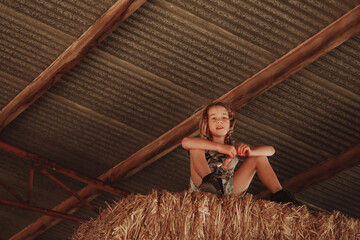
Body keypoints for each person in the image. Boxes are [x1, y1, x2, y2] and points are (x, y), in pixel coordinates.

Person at [181, 101, 298, 204]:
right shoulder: (201, 143)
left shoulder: (234, 147)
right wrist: (220, 148)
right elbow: (185, 142)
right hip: (201, 186)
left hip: (228, 191)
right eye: (214, 118)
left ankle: (281, 195)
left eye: (224, 118)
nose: (219, 121)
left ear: (230, 123)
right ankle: (210, 182)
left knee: (259, 157)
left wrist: (250, 152)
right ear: (207, 123)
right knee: (195, 148)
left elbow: (271, 150)